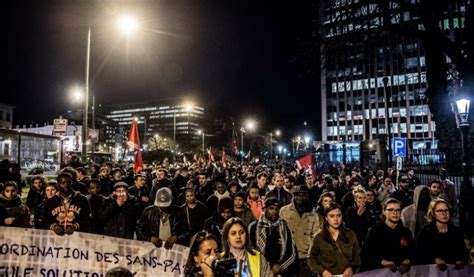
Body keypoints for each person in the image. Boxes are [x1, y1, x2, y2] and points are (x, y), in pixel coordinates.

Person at [360, 198, 415, 273]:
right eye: (391, 210)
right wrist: (382, 261)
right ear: (384, 211)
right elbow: (366, 254)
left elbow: (413, 252)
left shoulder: (406, 232)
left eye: (398, 210)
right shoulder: (374, 231)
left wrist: (408, 260)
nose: (395, 213)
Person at [248, 197, 299, 276]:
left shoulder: (284, 227)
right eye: (271, 208)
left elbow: (291, 251)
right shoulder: (254, 227)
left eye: (277, 209)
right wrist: (267, 266)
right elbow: (252, 250)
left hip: (282, 271)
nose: (274, 211)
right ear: (264, 209)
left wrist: (280, 267)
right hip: (260, 270)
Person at [307, 202, 360, 277]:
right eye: (332, 216)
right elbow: (311, 258)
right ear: (326, 218)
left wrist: (351, 268)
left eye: (339, 215)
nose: (336, 219)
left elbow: (357, 256)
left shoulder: (350, 235)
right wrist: (322, 271)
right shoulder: (319, 237)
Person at [280, 185, 321, 276]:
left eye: (303, 195)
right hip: (288, 255)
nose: (300, 198)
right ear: (293, 196)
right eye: (297, 195)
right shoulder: (284, 211)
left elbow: (316, 235)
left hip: (305, 256)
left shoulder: (313, 215)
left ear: (307, 196)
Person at [416, 198, 468, 269]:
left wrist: (461, 260)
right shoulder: (425, 232)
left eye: (446, 210)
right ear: (433, 213)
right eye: (439, 211)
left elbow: (464, 253)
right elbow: (419, 254)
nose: (444, 213)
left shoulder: (457, 232)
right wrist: (434, 259)